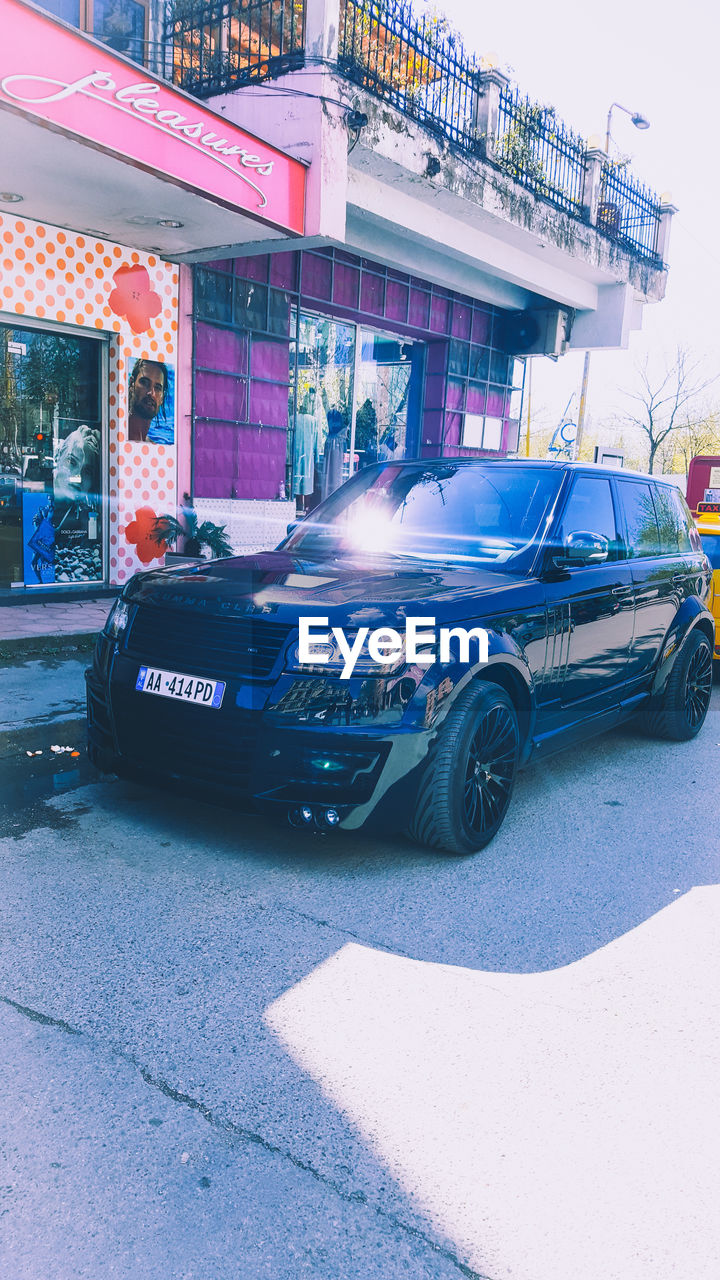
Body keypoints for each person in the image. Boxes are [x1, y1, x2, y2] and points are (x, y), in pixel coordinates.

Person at [128, 359, 171, 443]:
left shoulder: (155, 449)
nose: (151, 393)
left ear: (162, 398)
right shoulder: (105, 437)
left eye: (157, 388)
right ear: (131, 384)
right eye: (144, 382)